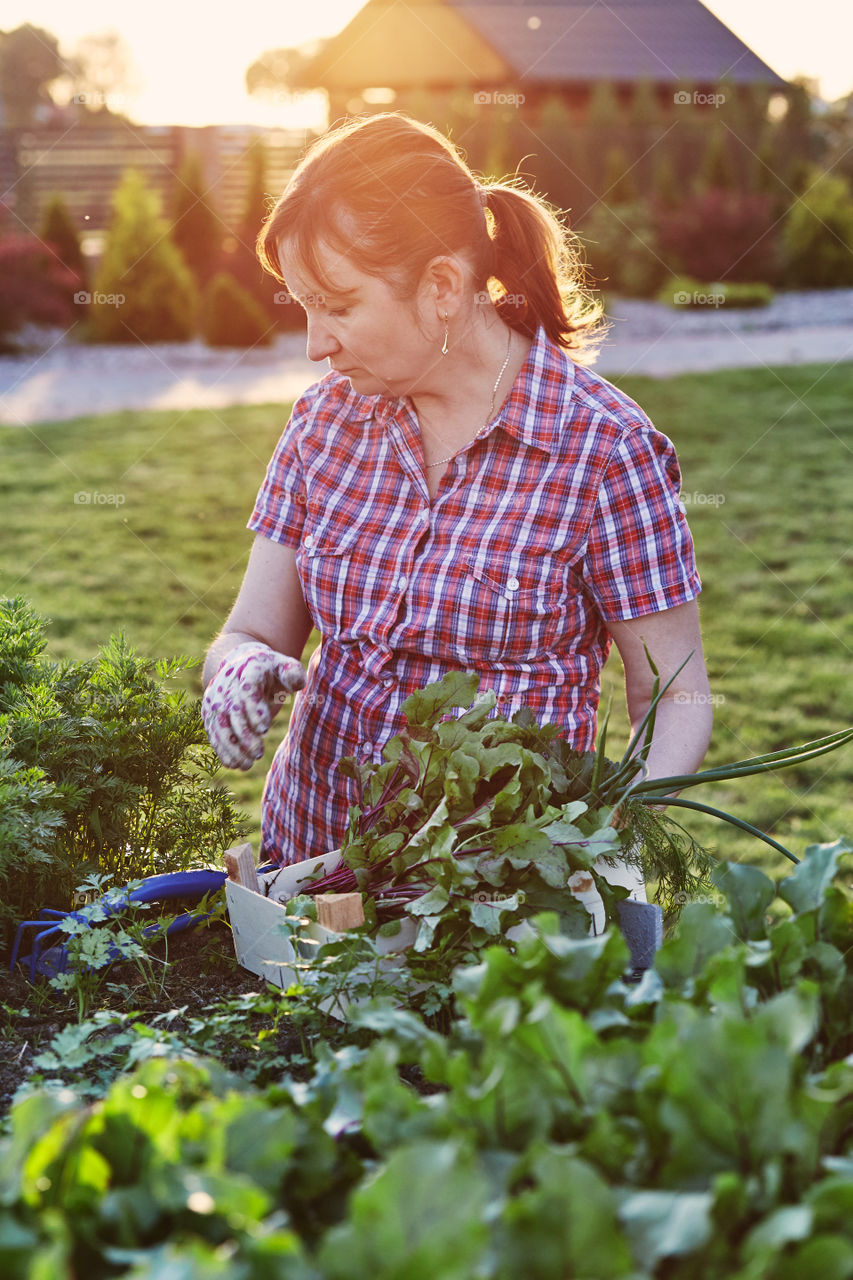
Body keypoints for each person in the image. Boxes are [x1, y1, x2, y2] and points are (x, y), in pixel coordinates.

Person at [201, 112, 713, 902]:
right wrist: (238, 668)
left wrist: (604, 834)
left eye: (336, 305)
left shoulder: (603, 450)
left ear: (441, 286)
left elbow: (673, 696)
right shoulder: (322, 424)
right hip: (309, 875)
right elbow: (253, 630)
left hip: (492, 901)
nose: (314, 344)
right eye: (303, 305)